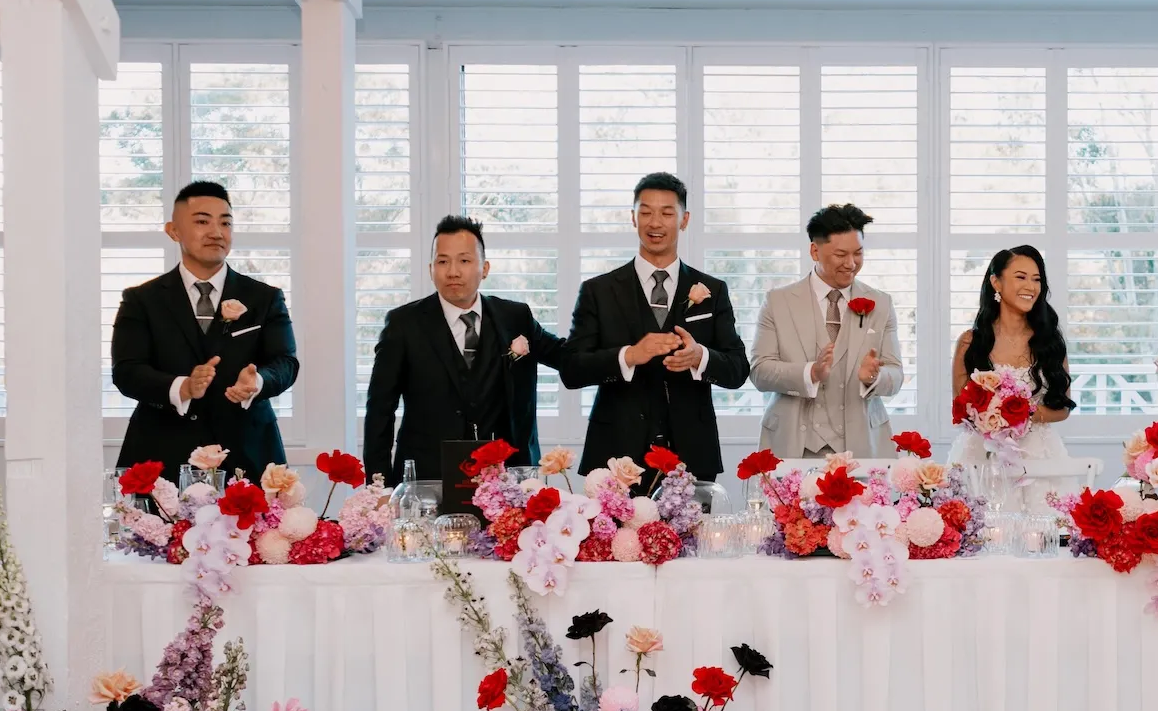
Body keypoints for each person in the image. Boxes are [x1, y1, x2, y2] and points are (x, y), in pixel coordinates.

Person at [561, 172, 749, 479]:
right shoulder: (599, 290)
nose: (655, 223)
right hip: (616, 455)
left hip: (691, 454)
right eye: (645, 212)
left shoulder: (713, 291)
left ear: (684, 220)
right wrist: (629, 356)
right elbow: (571, 369)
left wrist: (700, 357)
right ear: (633, 218)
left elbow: (738, 369)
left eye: (666, 213)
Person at [111, 181, 298, 481]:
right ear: (173, 230)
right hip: (162, 456)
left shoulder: (265, 297)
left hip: (248, 456)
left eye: (225, 223)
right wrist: (181, 387)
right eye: (202, 221)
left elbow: (285, 363)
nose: (216, 232)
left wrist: (259, 381)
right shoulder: (141, 300)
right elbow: (127, 372)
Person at [361, 215, 567, 483]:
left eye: (465, 260)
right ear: (431, 269)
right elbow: (380, 410)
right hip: (428, 476)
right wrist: (379, 487)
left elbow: (566, 356)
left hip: (505, 477)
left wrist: (626, 356)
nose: (453, 271)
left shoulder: (515, 317)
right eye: (443, 261)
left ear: (485, 268)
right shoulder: (403, 324)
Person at [751, 204, 905, 459]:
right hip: (793, 446)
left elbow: (896, 374)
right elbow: (760, 372)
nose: (851, 264)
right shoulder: (778, 302)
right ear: (814, 250)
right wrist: (810, 372)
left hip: (862, 447)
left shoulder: (881, 303)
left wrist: (874, 377)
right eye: (840, 254)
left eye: (858, 253)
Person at [951, 246, 1075, 510]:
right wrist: (990, 413)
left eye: (1037, 279)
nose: (1030, 285)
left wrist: (1022, 413)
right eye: (1021, 277)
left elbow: (1063, 407)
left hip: (1038, 456)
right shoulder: (970, 343)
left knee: (1043, 537)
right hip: (984, 455)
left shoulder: (1049, 341)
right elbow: (960, 408)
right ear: (996, 281)